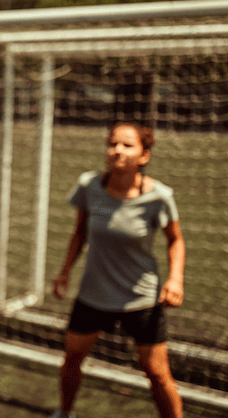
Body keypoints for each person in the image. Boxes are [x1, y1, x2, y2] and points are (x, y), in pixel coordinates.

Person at [50, 121, 186, 418]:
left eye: (127, 145)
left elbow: (175, 240)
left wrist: (175, 279)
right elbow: (80, 232)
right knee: (72, 359)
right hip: (94, 294)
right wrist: (64, 272)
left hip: (140, 298)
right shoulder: (89, 186)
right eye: (113, 144)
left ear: (144, 155)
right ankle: (65, 412)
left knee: (157, 373)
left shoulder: (158, 196)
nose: (117, 150)